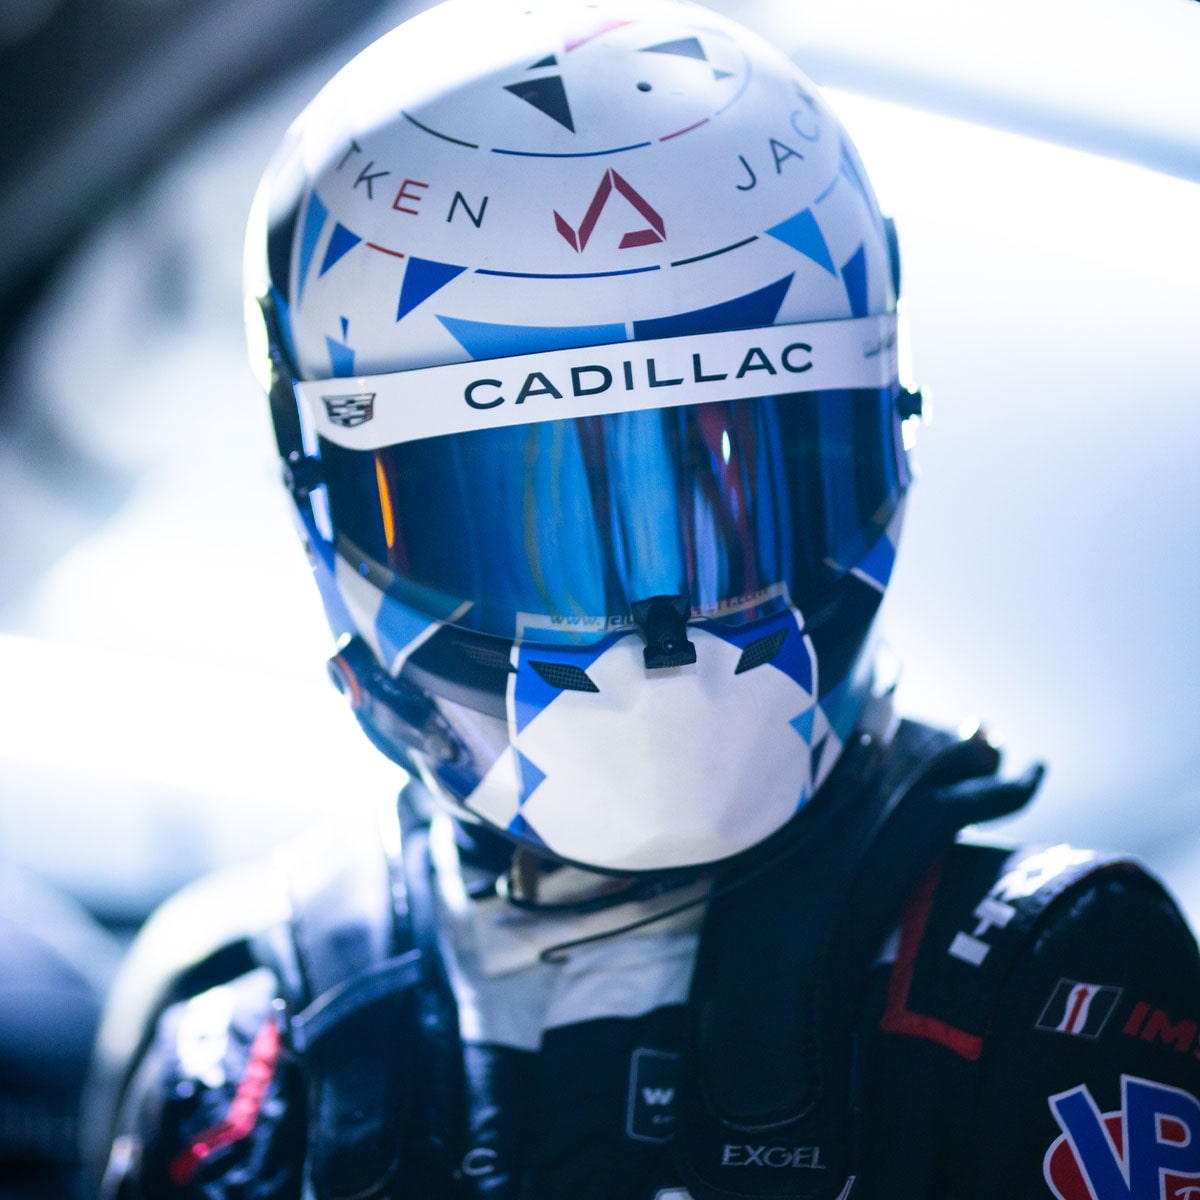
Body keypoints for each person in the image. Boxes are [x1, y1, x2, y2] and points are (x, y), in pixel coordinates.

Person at [84, 1, 1200, 1197]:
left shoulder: (1043, 984)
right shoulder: (250, 1039)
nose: (659, 639)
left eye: (736, 494)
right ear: (330, 500)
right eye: (530, 529)